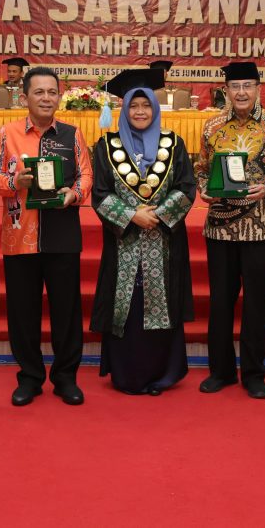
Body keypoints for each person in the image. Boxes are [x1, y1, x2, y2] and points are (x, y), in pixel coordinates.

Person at [0, 66, 93, 406]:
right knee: (23, 311)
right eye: (39, 92)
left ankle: (65, 378)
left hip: (62, 233)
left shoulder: (72, 134)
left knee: (67, 311)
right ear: (25, 97)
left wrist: (74, 194)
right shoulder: (7, 133)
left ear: (59, 97)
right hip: (20, 235)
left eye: (52, 92)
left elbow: (86, 175)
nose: (46, 98)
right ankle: (30, 377)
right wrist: (13, 183)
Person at [194, 61, 265, 399]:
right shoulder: (212, 126)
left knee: (257, 304)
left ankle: (254, 373)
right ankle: (221, 371)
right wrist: (203, 189)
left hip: (263, 229)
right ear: (226, 90)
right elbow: (201, 169)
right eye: (235, 86)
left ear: (258, 89)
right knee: (220, 303)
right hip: (221, 229)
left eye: (247, 86)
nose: (241, 92)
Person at [90, 68, 196, 395]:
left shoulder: (173, 143)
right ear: (124, 109)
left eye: (146, 105)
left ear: (155, 107)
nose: (140, 112)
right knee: (129, 306)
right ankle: (127, 375)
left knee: (161, 304)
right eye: (133, 106)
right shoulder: (106, 146)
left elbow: (186, 187)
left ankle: (163, 374)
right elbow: (100, 193)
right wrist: (131, 215)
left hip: (165, 242)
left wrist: (158, 215)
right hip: (123, 241)